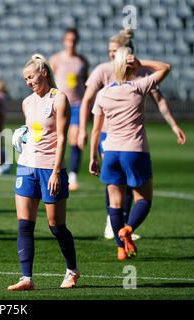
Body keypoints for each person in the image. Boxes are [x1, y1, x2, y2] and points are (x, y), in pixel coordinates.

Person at [78, 28, 186, 240]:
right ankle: (119, 225)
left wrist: (173, 125)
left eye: (114, 50)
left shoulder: (122, 84)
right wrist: (82, 128)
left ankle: (121, 230)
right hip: (124, 143)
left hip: (110, 143)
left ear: (126, 53)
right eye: (109, 50)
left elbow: (160, 101)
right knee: (127, 188)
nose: (111, 54)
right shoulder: (115, 75)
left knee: (118, 184)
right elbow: (85, 101)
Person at [89, 48, 171, 260]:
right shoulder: (138, 86)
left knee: (114, 203)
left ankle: (120, 249)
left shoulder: (103, 93)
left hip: (110, 151)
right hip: (135, 150)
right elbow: (165, 68)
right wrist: (142, 62)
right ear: (131, 65)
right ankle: (129, 228)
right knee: (143, 199)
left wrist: (92, 157)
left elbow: (96, 130)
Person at [8, 54, 79, 291]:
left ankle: (72, 270)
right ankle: (26, 278)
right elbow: (33, 132)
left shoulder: (59, 98)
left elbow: (61, 139)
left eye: (31, 76)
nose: (28, 81)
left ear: (44, 73)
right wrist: (21, 137)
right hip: (26, 166)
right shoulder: (26, 102)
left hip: (50, 168)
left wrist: (57, 171)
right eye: (25, 79)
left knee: (56, 226)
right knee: (24, 225)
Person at [49, 28, 89, 191]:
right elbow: (50, 80)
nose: (71, 43)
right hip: (60, 103)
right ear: (64, 41)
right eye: (68, 40)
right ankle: (54, 168)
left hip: (77, 104)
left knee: (75, 138)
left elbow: (86, 82)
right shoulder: (56, 59)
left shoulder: (82, 61)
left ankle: (73, 176)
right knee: (56, 138)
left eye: (74, 40)